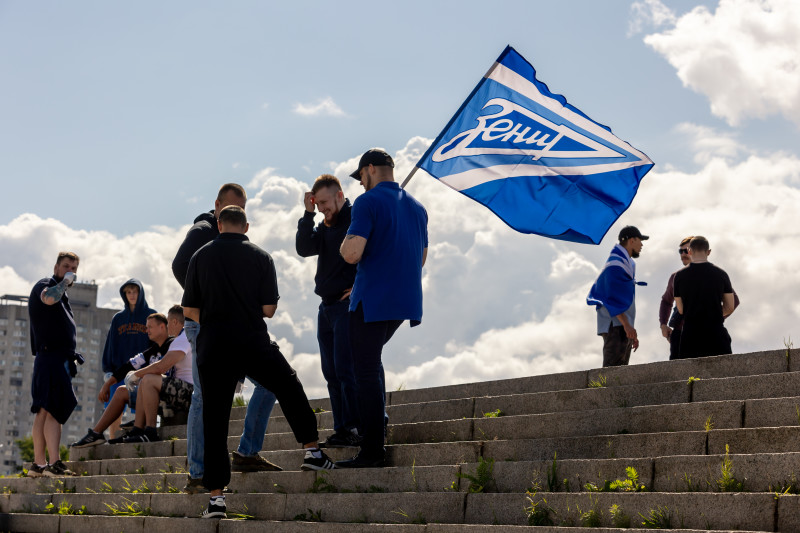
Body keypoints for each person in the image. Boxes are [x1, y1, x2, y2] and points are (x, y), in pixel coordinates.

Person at [182, 206, 334, 519]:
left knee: (214, 418)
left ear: (220, 225)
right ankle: (312, 450)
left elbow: (189, 310)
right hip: (251, 340)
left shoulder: (200, 257)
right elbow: (268, 309)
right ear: (246, 225)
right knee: (287, 384)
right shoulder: (261, 257)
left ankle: (216, 500)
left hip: (213, 347)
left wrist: (215, 320)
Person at [172, 183, 280, 494]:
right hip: (206, 325)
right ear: (217, 206)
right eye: (230, 209)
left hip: (234, 327)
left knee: (269, 380)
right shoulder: (204, 228)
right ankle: (198, 473)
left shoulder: (230, 238)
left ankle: (246, 452)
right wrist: (207, 306)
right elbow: (180, 264)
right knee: (204, 396)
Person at [337, 148, 428, 469]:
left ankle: (372, 449)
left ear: (371, 169)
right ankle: (377, 431)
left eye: (361, 176)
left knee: (361, 369)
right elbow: (421, 258)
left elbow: (352, 253)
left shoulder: (367, 202)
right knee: (370, 364)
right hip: (406, 300)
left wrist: (343, 244)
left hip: (372, 298)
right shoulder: (417, 207)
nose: (360, 183)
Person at [296, 174, 361, 447]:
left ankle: (357, 428)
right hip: (326, 306)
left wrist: (359, 285)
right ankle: (342, 429)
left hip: (347, 306)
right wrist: (308, 214)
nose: (322, 208)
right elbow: (304, 248)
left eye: (324, 202)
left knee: (347, 370)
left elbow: (374, 252)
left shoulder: (356, 217)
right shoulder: (324, 225)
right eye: (317, 203)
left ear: (339, 194)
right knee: (331, 372)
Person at [70, 313, 175, 447]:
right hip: (151, 393)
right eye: (146, 327)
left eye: (150, 327)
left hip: (170, 394)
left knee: (145, 379)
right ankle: (96, 434)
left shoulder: (174, 344)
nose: (146, 330)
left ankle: (146, 430)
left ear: (161, 327)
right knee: (120, 391)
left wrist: (137, 375)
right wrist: (107, 384)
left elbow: (161, 369)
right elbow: (128, 366)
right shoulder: (153, 349)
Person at [27, 251, 81, 477]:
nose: (70, 271)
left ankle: (39, 465)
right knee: (52, 412)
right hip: (50, 359)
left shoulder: (62, 294)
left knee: (45, 411)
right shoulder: (46, 284)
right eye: (67, 266)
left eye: (74, 269)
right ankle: (53, 463)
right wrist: (65, 282)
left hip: (53, 360)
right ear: (57, 266)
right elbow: (48, 298)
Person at [122, 306, 193, 443]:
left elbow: (161, 367)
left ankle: (150, 432)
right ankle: (138, 429)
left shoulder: (184, 338)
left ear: (174, 322)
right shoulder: (181, 338)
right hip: (183, 390)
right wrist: (139, 376)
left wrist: (136, 374)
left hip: (191, 393)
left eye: (167, 322)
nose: (166, 326)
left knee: (148, 379)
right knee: (145, 380)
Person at [101, 279, 156, 439]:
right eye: (128, 292)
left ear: (141, 293)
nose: (132, 295)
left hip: (142, 372)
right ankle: (113, 440)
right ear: (124, 294)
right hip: (118, 371)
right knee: (113, 409)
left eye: (135, 291)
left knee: (140, 410)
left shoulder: (150, 315)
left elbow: (157, 343)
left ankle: (136, 439)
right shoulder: (118, 318)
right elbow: (110, 344)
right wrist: (108, 369)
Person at [587, 226, 648, 367]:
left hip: (621, 325)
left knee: (619, 372)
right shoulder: (616, 264)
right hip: (615, 324)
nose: (642, 244)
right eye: (640, 240)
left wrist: (629, 327)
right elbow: (612, 297)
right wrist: (627, 325)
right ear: (632, 240)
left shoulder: (624, 262)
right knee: (611, 371)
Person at [674, 236, 738, 358]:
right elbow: (730, 307)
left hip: (690, 336)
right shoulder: (721, 274)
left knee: (691, 375)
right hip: (715, 333)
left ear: (689, 251)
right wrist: (714, 312)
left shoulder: (679, 276)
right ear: (708, 252)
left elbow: (681, 309)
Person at [659, 236, 694, 360]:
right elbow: (666, 301)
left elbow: (734, 301)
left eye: (687, 250)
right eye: (681, 251)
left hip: (702, 334)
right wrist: (663, 324)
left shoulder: (712, 275)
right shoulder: (676, 277)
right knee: (677, 375)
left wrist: (714, 321)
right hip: (679, 334)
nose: (683, 254)